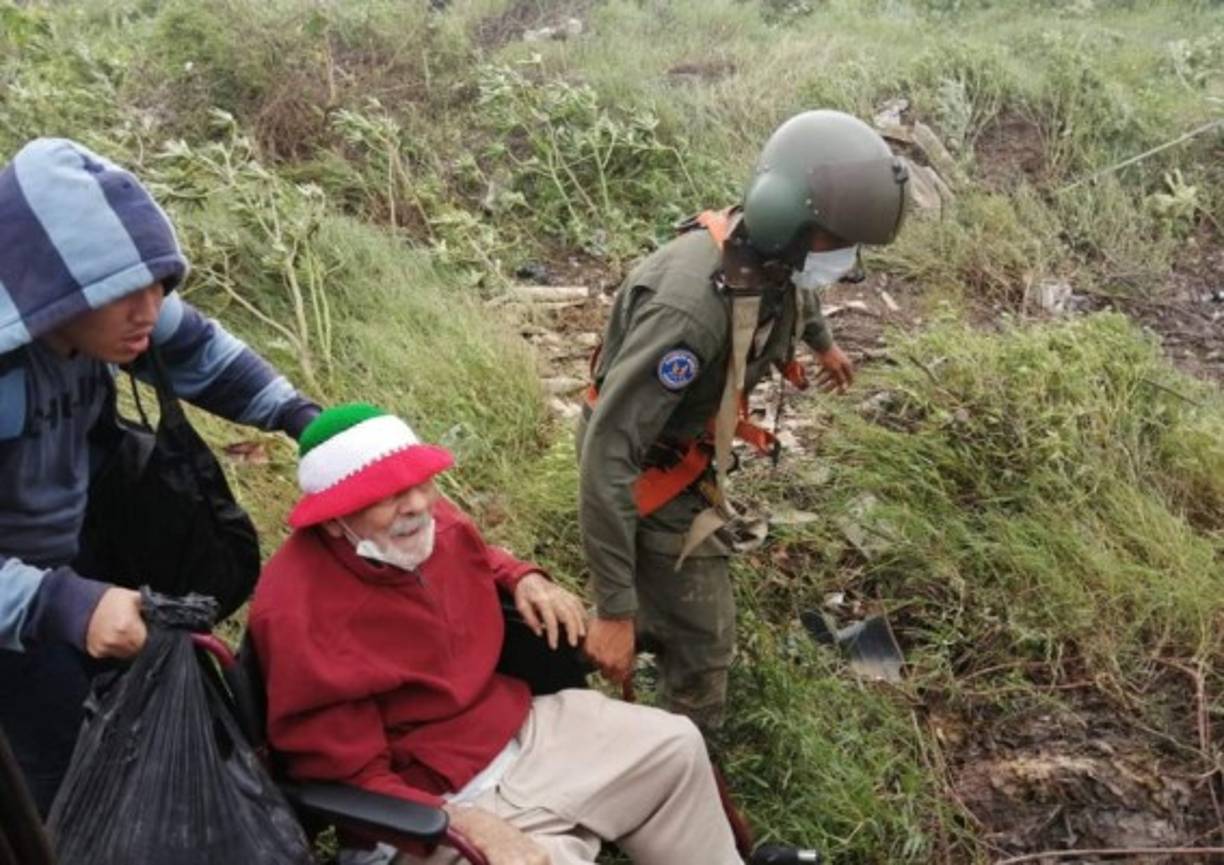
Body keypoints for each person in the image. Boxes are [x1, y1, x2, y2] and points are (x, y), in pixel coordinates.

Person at [249, 403, 744, 865]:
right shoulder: (301, 615)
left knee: (673, 746)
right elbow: (345, 779)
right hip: (436, 797)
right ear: (334, 520)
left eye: (423, 482)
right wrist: (462, 823)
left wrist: (524, 577)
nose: (419, 504)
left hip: (512, 724)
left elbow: (479, 555)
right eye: (388, 494)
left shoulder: (428, 526)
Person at [0, 137, 320, 812]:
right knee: (59, 775)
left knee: (138, 725)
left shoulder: (109, 315)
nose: (148, 309)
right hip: (13, 604)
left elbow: (203, 353)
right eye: (125, 292)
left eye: (158, 284)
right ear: (51, 294)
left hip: (72, 548)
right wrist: (62, 605)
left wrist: (301, 418)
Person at [577, 110, 909, 729]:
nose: (847, 260)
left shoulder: (765, 255)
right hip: (650, 468)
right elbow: (609, 452)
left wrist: (822, 342)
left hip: (686, 452)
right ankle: (680, 767)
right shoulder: (688, 313)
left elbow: (797, 293)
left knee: (676, 608)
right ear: (788, 216)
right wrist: (613, 610)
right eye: (837, 243)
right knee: (706, 645)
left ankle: (636, 620)